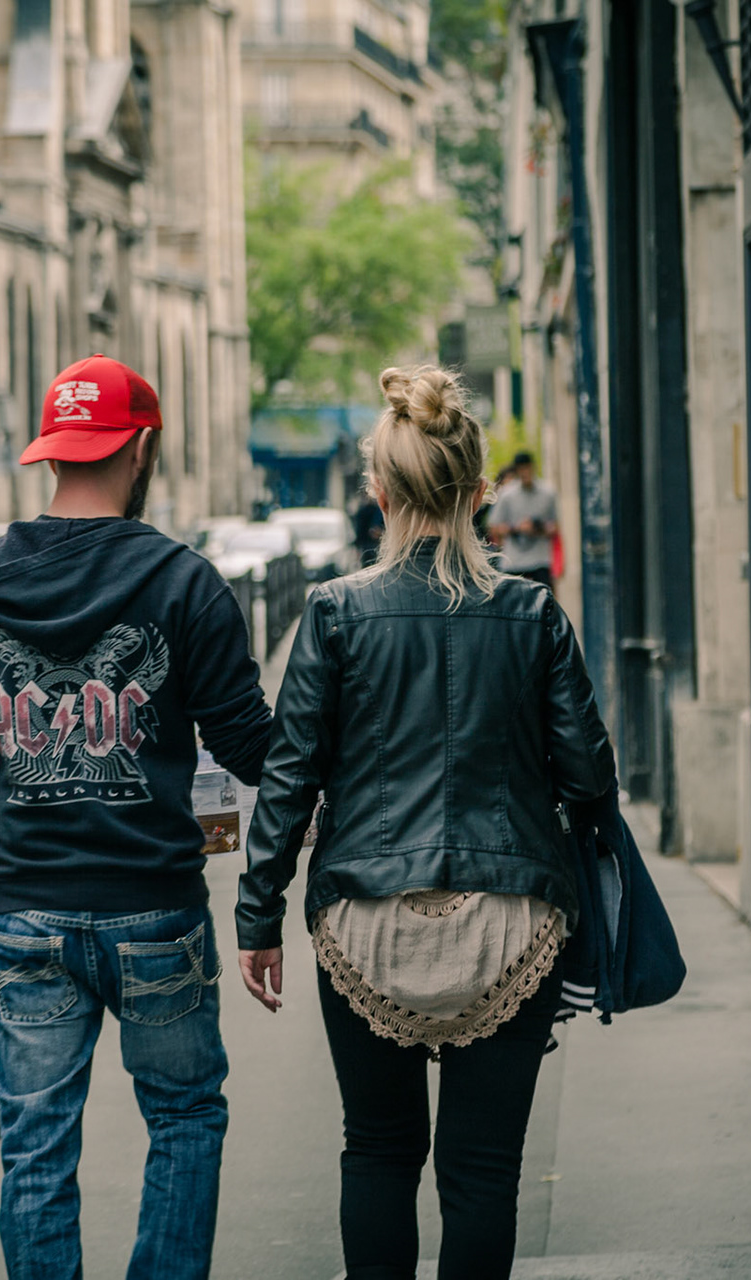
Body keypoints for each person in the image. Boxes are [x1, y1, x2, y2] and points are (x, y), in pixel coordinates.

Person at [234, 366, 615, 1280]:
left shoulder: (333, 613)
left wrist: (258, 917)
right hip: (514, 915)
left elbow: (289, 780)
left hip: (364, 917)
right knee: (483, 1174)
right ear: (481, 493)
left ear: (380, 493)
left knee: (377, 1151)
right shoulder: (532, 614)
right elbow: (592, 776)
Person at [0, 353, 274, 1280]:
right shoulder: (186, 583)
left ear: (52, 453)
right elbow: (251, 749)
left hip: (25, 910)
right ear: (140, 446)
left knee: (35, 1147)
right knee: (186, 1119)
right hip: (156, 905)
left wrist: (0, 741)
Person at [486, 451, 559, 589]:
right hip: (514, 561)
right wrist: (517, 528)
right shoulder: (507, 494)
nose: (525, 472)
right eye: (521, 469)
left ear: (533, 467)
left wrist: (539, 528)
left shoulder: (548, 493)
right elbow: (494, 527)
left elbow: (555, 527)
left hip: (540, 560)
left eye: (527, 468)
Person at [352, 494, 386, 566]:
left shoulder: (378, 511)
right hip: (368, 544)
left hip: (374, 544)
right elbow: (359, 530)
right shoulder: (365, 511)